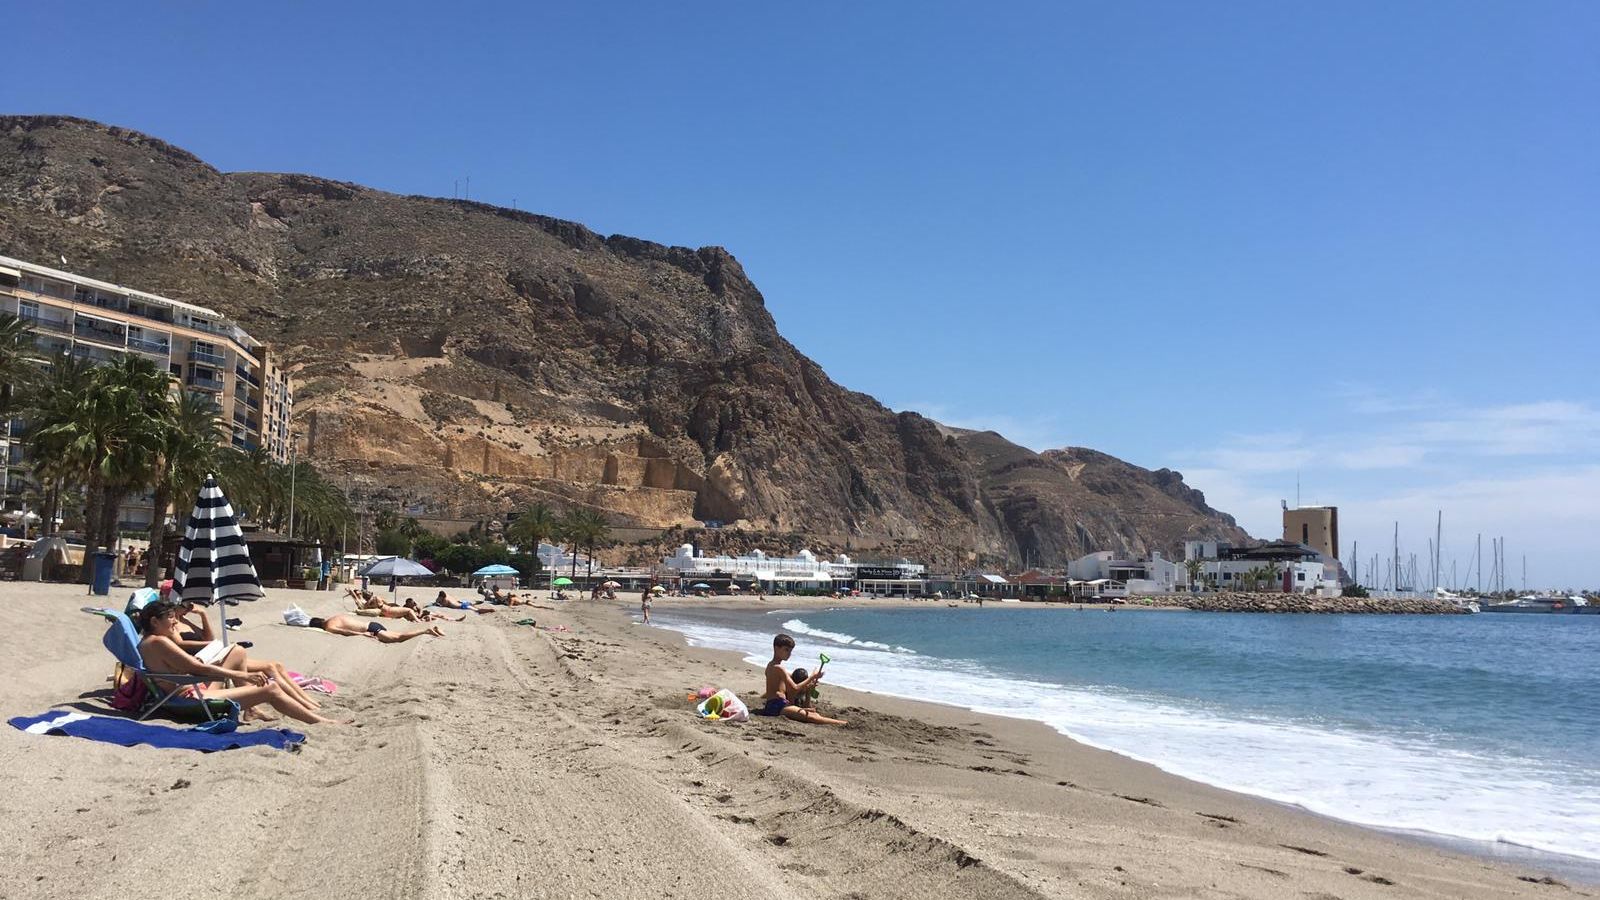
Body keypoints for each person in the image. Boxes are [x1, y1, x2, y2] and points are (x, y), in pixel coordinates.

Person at [137, 600, 344, 725]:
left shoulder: (148, 641)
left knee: (236, 652)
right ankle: (322, 722)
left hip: (189, 687)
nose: (175, 622)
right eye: (171, 618)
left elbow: (189, 666)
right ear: (155, 622)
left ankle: (251, 710)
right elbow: (196, 668)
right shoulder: (159, 642)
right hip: (189, 697)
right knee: (270, 690)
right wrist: (244, 676)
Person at [168, 599, 324, 711]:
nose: (189, 607)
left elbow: (208, 638)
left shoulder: (184, 620)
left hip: (213, 655)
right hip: (206, 660)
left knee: (277, 665)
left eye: (190, 604)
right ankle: (294, 704)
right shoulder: (170, 625)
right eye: (185, 604)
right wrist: (212, 645)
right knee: (269, 666)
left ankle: (305, 699)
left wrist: (203, 615)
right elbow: (180, 644)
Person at [754, 634, 847, 726]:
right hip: (775, 706)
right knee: (811, 717)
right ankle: (844, 723)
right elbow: (794, 688)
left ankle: (841, 722)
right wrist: (812, 677)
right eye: (786, 650)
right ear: (776, 648)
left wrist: (811, 681)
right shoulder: (778, 668)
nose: (789, 654)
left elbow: (792, 680)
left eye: (790, 651)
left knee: (811, 713)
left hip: (779, 704)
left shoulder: (771, 665)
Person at [303, 613, 442, 643]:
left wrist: (361, 635)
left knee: (399, 638)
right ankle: (431, 629)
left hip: (371, 630)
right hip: (372, 624)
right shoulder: (333, 617)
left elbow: (345, 631)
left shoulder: (329, 626)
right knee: (398, 635)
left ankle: (426, 630)